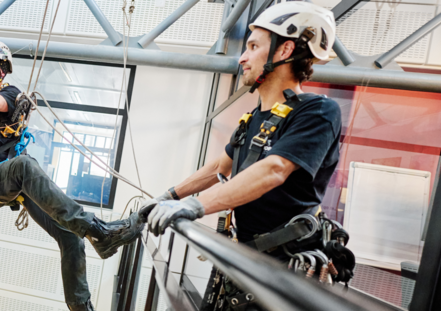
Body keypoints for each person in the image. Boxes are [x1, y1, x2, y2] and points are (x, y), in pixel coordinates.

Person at [0, 39, 145, 311]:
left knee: (71, 237)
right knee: (23, 164)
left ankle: (81, 305)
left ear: (3, 71)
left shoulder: (10, 94)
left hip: (19, 186)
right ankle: (99, 231)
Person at [144, 1, 340, 308]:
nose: (242, 58)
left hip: (282, 270)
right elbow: (219, 168)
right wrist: (169, 195)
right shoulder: (253, 119)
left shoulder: (318, 111)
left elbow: (275, 169)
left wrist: (195, 207)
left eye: (252, 46)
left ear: (284, 51)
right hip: (245, 261)